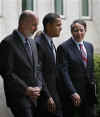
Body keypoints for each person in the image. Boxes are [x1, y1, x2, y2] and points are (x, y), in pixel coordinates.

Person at [0, 10, 42, 117]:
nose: (36, 28)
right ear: (23, 24)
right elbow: (7, 72)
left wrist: (39, 86)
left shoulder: (32, 42)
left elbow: (37, 68)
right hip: (18, 97)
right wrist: (26, 89)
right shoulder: (8, 43)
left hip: (35, 96)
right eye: (34, 25)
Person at [56, 19, 97, 117]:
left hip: (88, 94)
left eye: (81, 30)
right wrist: (72, 92)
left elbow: (90, 70)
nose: (79, 33)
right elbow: (63, 72)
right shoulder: (63, 48)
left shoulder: (89, 46)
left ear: (85, 30)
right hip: (72, 95)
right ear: (71, 31)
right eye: (76, 30)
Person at [35, 13, 63, 117]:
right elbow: (38, 72)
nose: (61, 28)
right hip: (47, 98)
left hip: (55, 94)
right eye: (58, 25)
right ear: (48, 25)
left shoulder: (50, 42)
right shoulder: (38, 43)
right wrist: (47, 96)